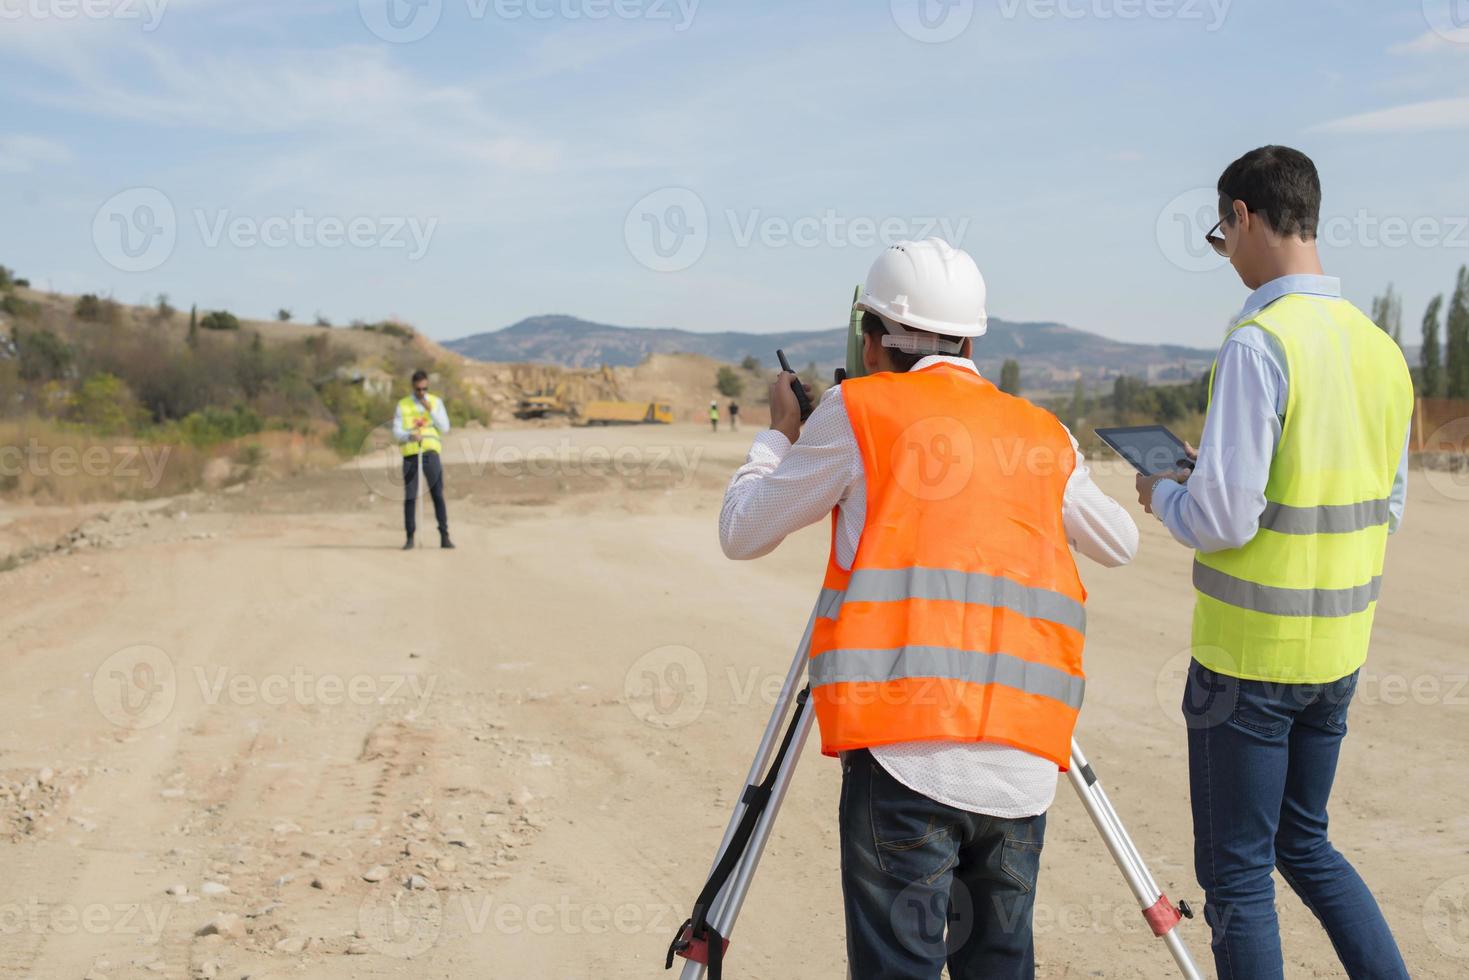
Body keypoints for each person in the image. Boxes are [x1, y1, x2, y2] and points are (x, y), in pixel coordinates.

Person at [721, 239, 1138, 979]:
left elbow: (742, 531)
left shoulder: (858, 411)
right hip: (1021, 753)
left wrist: (777, 437)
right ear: (971, 338)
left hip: (904, 750)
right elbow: (1119, 542)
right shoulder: (1043, 433)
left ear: (871, 337)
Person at [1135, 146, 1412, 980]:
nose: (1227, 256)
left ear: (1244, 216)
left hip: (1246, 660)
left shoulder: (1259, 344)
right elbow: (1382, 506)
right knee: (1306, 842)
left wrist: (1160, 493)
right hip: (1336, 655)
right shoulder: (1378, 349)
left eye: (1221, 236)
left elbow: (1223, 517)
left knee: (1237, 879)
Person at [393, 369, 455, 550]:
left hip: (430, 452)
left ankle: (444, 535)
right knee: (410, 496)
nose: (421, 392)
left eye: (424, 389)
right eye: (418, 389)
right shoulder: (403, 404)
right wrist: (408, 436)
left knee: (437, 494)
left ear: (427, 386)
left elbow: (444, 427)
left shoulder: (435, 402)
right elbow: (396, 431)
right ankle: (410, 537)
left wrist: (431, 411)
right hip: (411, 452)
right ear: (413, 387)